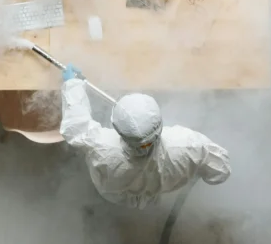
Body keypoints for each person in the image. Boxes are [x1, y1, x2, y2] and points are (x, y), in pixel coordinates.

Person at [60, 64, 231, 209]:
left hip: (115, 194)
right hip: (157, 192)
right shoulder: (188, 144)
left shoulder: (101, 147)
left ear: (116, 128)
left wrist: (72, 85)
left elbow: (76, 128)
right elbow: (221, 171)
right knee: (151, 196)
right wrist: (197, 167)